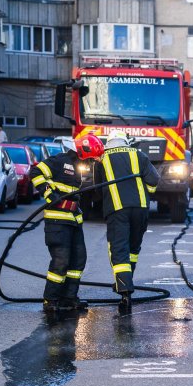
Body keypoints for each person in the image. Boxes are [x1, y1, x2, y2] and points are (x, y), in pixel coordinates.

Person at [29, 134, 104, 313]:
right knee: (61, 261)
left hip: (73, 221)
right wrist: (49, 194)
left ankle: (69, 298)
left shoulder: (79, 166)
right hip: (57, 220)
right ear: (83, 152)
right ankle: (51, 300)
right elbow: (36, 172)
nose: (92, 162)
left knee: (78, 260)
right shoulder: (60, 161)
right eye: (91, 158)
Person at [94, 131, 160, 315]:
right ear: (125, 141)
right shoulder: (139, 155)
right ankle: (126, 281)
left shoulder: (102, 159)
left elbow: (97, 191)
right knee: (132, 249)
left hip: (117, 210)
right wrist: (147, 191)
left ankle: (124, 291)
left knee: (119, 248)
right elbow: (154, 180)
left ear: (109, 143)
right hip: (141, 209)